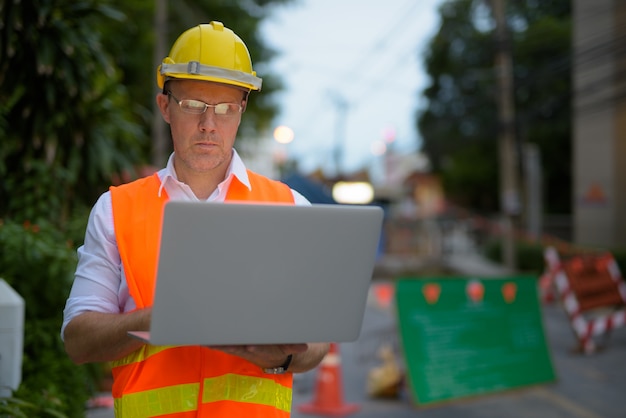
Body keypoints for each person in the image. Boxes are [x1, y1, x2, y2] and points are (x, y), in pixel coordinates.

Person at [61, 21, 330, 417]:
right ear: (165, 107)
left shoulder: (289, 207)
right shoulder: (116, 209)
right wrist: (155, 320)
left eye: (224, 109)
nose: (209, 124)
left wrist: (281, 356)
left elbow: (318, 345)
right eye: (193, 106)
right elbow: (78, 341)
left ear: (242, 111)